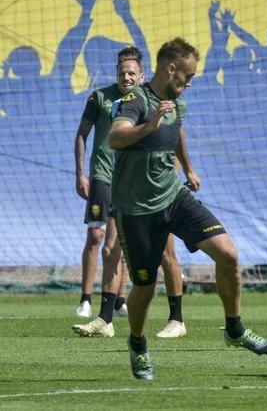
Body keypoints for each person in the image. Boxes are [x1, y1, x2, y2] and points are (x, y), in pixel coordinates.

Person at [108, 37, 267, 380]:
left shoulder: (176, 104)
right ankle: (137, 345)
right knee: (144, 287)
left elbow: (177, 132)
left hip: (173, 196)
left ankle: (235, 328)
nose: (190, 81)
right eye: (188, 75)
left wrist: (188, 167)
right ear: (171, 69)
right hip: (136, 209)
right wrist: (151, 123)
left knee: (227, 254)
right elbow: (115, 137)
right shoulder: (134, 100)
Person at [71, 46, 189, 338]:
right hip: (119, 185)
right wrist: (81, 172)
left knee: (166, 252)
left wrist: (182, 171)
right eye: (122, 72)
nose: (126, 77)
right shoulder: (106, 100)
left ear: (142, 75)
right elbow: (90, 134)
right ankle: (104, 317)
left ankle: (177, 318)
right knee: (110, 247)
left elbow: (175, 140)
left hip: (157, 188)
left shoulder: (162, 102)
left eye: (132, 72)